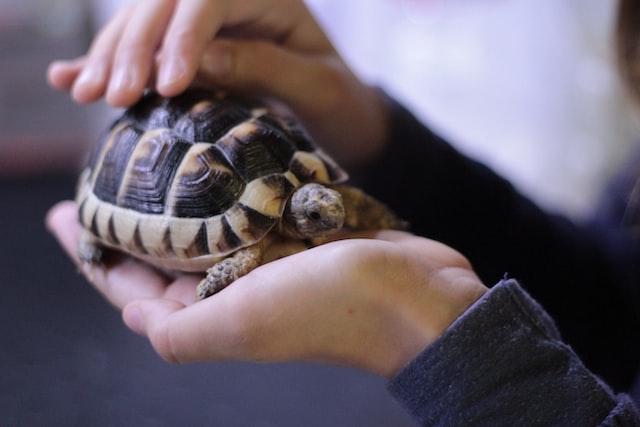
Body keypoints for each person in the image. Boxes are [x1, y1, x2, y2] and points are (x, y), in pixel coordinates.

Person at [46, 0, 640, 425]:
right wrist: (373, 132)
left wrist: (445, 338)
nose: (331, 214)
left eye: (327, 211)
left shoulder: (302, 214)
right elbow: (618, 304)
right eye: (320, 212)